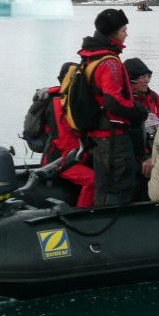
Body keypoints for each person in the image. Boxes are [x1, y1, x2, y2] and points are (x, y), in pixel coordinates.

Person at [78, 9, 148, 206]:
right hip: (113, 136)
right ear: (113, 33)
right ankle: (116, 226)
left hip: (98, 134)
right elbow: (113, 102)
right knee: (120, 184)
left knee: (104, 183)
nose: (126, 34)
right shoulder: (109, 62)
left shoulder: (90, 56)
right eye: (124, 29)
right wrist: (138, 111)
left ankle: (100, 219)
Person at [41, 62, 95, 207]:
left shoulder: (52, 101)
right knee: (92, 180)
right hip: (58, 160)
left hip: (68, 157)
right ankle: (81, 214)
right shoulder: (59, 104)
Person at [124, 57, 159, 194]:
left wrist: (156, 155)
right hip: (132, 157)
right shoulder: (123, 101)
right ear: (130, 79)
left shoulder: (153, 97)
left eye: (148, 76)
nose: (147, 80)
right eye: (142, 76)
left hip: (155, 152)